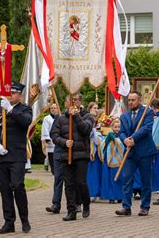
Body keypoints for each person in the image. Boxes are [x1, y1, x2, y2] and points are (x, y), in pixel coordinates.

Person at [0, 83, 33, 234]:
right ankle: (9, 222)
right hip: (1, 156)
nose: (11, 95)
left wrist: (11, 110)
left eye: (14, 93)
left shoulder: (24, 109)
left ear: (20, 95)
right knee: (5, 190)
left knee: (17, 186)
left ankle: (24, 220)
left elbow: (26, 122)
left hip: (17, 156)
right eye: (9, 92)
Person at [50, 93, 94, 221]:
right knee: (68, 184)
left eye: (75, 100)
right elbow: (54, 135)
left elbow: (85, 130)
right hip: (66, 154)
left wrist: (76, 116)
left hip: (81, 154)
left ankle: (86, 203)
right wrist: (64, 142)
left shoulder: (87, 116)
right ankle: (71, 210)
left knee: (80, 182)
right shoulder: (60, 118)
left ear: (80, 102)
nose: (72, 103)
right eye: (70, 100)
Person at [115, 90, 157, 217]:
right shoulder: (124, 116)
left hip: (145, 152)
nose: (130, 102)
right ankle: (126, 207)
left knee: (145, 181)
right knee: (126, 179)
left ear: (139, 100)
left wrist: (133, 138)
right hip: (130, 153)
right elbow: (121, 132)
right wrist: (125, 140)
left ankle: (145, 207)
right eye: (129, 100)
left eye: (133, 100)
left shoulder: (147, 112)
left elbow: (146, 128)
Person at [100, 119, 124, 203]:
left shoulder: (121, 136)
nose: (117, 129)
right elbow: (102, 146)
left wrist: (114, 139)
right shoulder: (109, 135)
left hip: (118, 161)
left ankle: (120, 196)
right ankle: (112, 197)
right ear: (112, 127)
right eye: (115, 127)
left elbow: (121, 145)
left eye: (118, 127)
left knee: (119, 179)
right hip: (109, 160)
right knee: (110, 179)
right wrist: (107, 140)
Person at [86, 102, 102, 202]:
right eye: (94, 108)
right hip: (89, 148)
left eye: (97, 108)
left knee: (97, 171)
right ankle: (91, 192)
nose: (96, 109)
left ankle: (97, 192)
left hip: (97, 149)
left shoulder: (99, 121)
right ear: (90, 109)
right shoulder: (87, 119)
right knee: (91, 172)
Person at [41, 103, 58, 174]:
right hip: (50, 140)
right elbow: (45, 128)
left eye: (54, 108)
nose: (53, 109)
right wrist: (47, 138)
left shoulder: (60, 117)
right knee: (51, 155)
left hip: (58, 140)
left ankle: (56, 170)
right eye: (52, 108)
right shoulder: (47, 118)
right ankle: (53, 169)